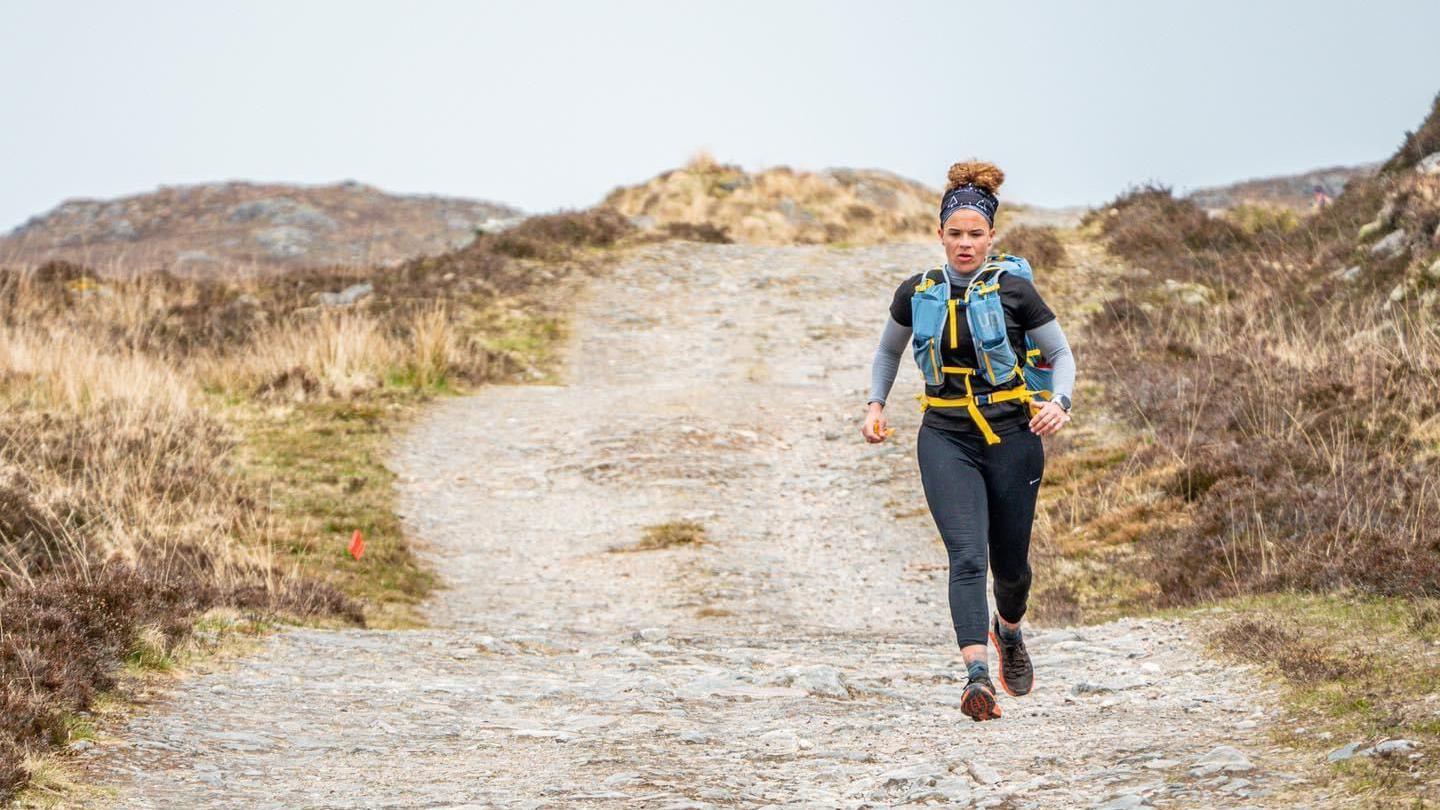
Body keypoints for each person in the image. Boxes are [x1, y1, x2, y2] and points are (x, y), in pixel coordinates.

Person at [860, 160, 1076, 722]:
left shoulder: (1015, 291)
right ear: (939, 235)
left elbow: (1061, 355)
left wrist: (1059, 402)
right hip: (945, 435)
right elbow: (889, 352)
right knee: (965, 556)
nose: (964, 244)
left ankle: (1009, 632)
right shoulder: (917, 290)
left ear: (991, 238)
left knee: (1012, 567)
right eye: (954, 234)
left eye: (974, 234)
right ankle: (976, 677)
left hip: (1012, 434)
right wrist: (876, 404)